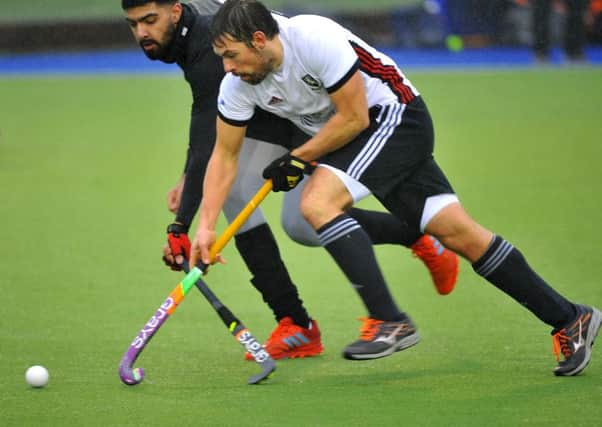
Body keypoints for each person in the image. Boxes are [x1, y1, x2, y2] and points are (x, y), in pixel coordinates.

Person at [190, 0, 600, 375]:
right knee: (459, 234)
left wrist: (300, 158)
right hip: (355, 139)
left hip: (395, 118)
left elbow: (354, 118)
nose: (227, 68)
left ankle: (390, 320)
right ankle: (569, 317)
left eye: (231, 55)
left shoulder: (312, 37)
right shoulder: (238, 85)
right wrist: (205, 227)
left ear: (259, 40)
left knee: (316, 204)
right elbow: (224, 158)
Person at [121, 0, 459, 360]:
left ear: (174, 11)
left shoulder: (211, 41)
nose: (142, 32)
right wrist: (190, 184)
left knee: (298, 216)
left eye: (149, 20)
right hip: (267, 118)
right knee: (297, 224)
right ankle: (297, 324)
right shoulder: (191, 42)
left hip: (306, 120)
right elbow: (208, 124)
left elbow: (209, 134)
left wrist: (181, 224)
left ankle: (413, 244)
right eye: (134, 24)